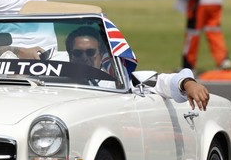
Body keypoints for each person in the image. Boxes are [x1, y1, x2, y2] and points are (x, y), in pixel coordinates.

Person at [66, 26, 210, 111]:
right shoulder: (53, 81)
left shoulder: (117, 82)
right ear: (70, 56)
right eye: (78, 53)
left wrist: (188, 83)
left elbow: (161, 81)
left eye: (90, 52)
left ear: (101, 55)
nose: (84, 57)